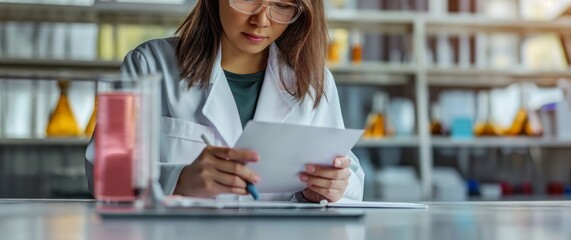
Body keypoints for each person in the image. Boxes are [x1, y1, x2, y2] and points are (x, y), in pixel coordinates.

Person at [85, 0, 364, 203]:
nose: (262, 20)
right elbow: (105, 174)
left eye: (281, 5)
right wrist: (179, 180)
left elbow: (350, 177)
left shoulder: (314, 82)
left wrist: (331, 188)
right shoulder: (149, 64)